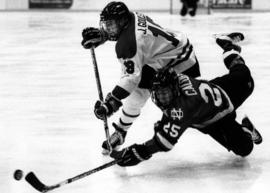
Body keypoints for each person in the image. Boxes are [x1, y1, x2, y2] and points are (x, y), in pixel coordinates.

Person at [109, 32, 263, 167]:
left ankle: (227, 45)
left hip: (223, 92)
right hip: (210, 119)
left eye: (166, 93)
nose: (163, 98)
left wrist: (140, 152)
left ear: (175, 89)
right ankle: (245, 129)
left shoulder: (184, 106)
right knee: (244, 149)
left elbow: (164, 143)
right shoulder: (173, 85)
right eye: (160, 93)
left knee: (242, 73)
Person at [81, 1, 200, 153]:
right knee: (139, 90)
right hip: (170, 55)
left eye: (110, 25)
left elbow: (131, 78)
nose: (107, 29)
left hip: (182, 64)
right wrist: (104, 36)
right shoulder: (132, 17)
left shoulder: (129, 43)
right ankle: (121, 131)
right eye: (106, 25)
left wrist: (111, 102)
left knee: (190, 111)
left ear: (122, 21)